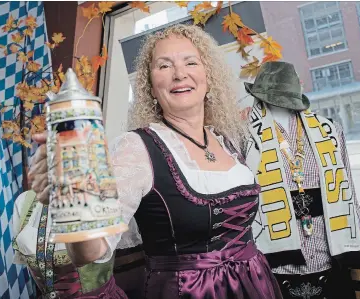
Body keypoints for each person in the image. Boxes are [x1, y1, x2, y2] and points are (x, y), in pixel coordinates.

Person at [27, 24, 282, 299]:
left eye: (190, 62)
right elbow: (91, 252)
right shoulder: (136, 149)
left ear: (209, 75)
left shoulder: (226, 141)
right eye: (164, 66)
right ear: (150, 84)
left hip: (254, 285)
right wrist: (71, 200)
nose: (179, 74)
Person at [244, 61, 360, 299]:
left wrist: (352, 237)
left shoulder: (330, 130)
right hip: (275, 263)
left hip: (329, 253)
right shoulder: (245, 135)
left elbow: (347, 189)